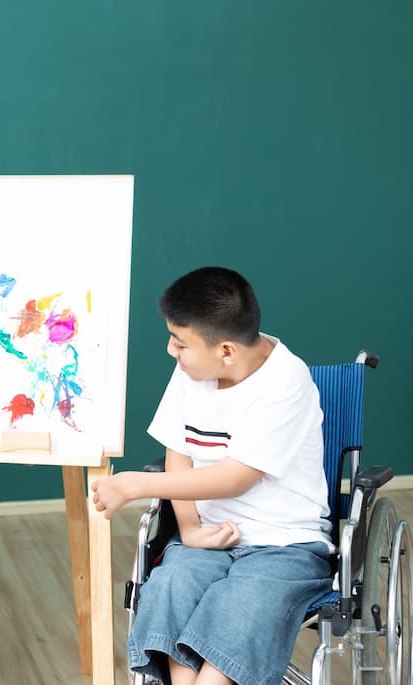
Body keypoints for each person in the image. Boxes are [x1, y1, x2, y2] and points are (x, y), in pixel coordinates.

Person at [91, 267, 333, 685]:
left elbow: (235, 477)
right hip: (208, 538)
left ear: (226, 351)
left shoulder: (286, 382)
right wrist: (189, 529)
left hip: (284, 544)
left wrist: (136, 484)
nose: (171, 350)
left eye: (179, 343)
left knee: (244, 606)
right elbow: (179, 451)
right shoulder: (192, 370)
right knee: (171, 586)